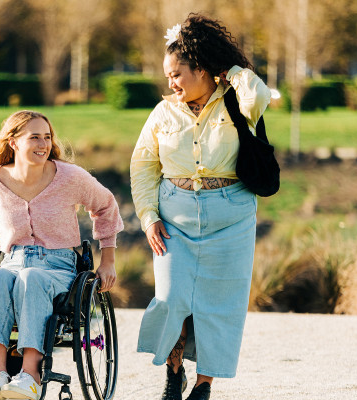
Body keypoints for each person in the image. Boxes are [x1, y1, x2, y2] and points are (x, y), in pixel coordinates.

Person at [131, 14, 271, 400]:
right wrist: (147, 218)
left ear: (203, 69)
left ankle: (204, 385)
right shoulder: (162, 113)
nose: (171, 83)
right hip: (174, 218)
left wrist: (232, 71)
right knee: (172, 297)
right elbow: (143, 167)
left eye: (177, 74)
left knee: (220, 305)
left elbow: (259, 96)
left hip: (232, 217)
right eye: (168, 76)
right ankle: (173, 372)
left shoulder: (238, 103)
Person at [0, 110, 124, 400]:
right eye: (34, 137)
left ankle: (30, 375)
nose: (44, 143)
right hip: (10, 261)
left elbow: (106, 206)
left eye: (47, 137)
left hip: (58, 266)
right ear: (13, 142)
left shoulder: (70, 177)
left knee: (32, 277)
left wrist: (108, 260)